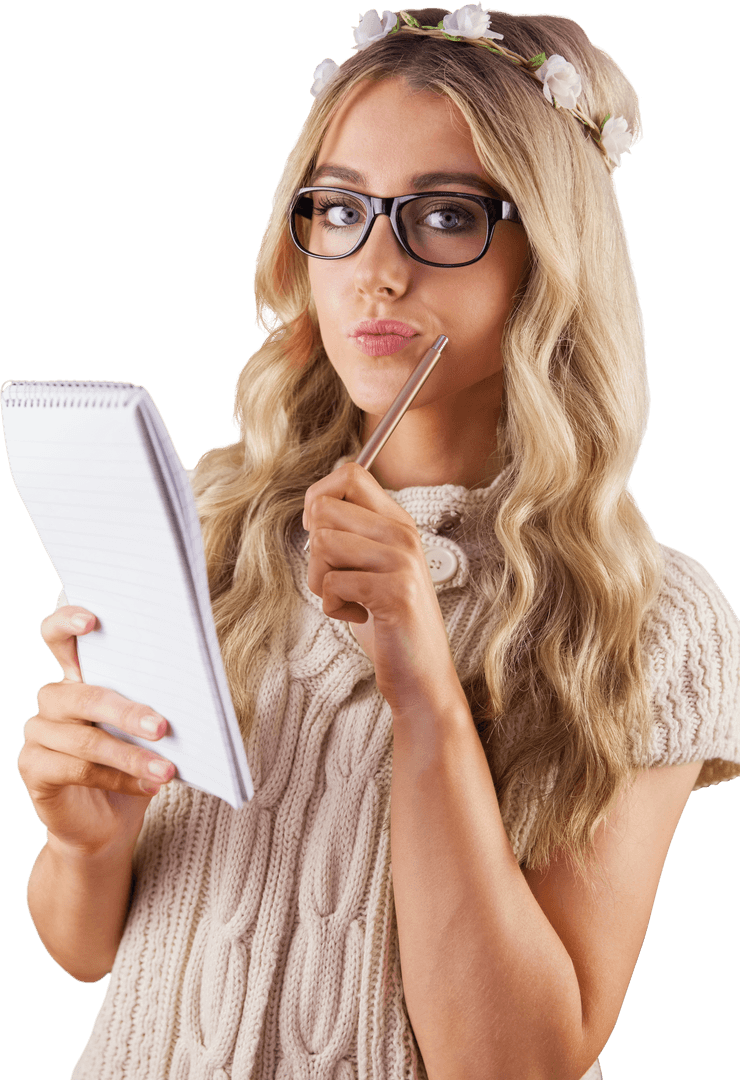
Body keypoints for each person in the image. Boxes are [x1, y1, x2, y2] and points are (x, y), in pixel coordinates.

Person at [17, 7, 740, 1079]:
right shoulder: (210, 532)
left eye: (443, 217)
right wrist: (86, 838)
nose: (376, 269)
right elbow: (87, 950)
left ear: (547, 249)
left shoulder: (644, 615)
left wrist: (418, 675)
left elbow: (516, 1062)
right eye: (341, 208)